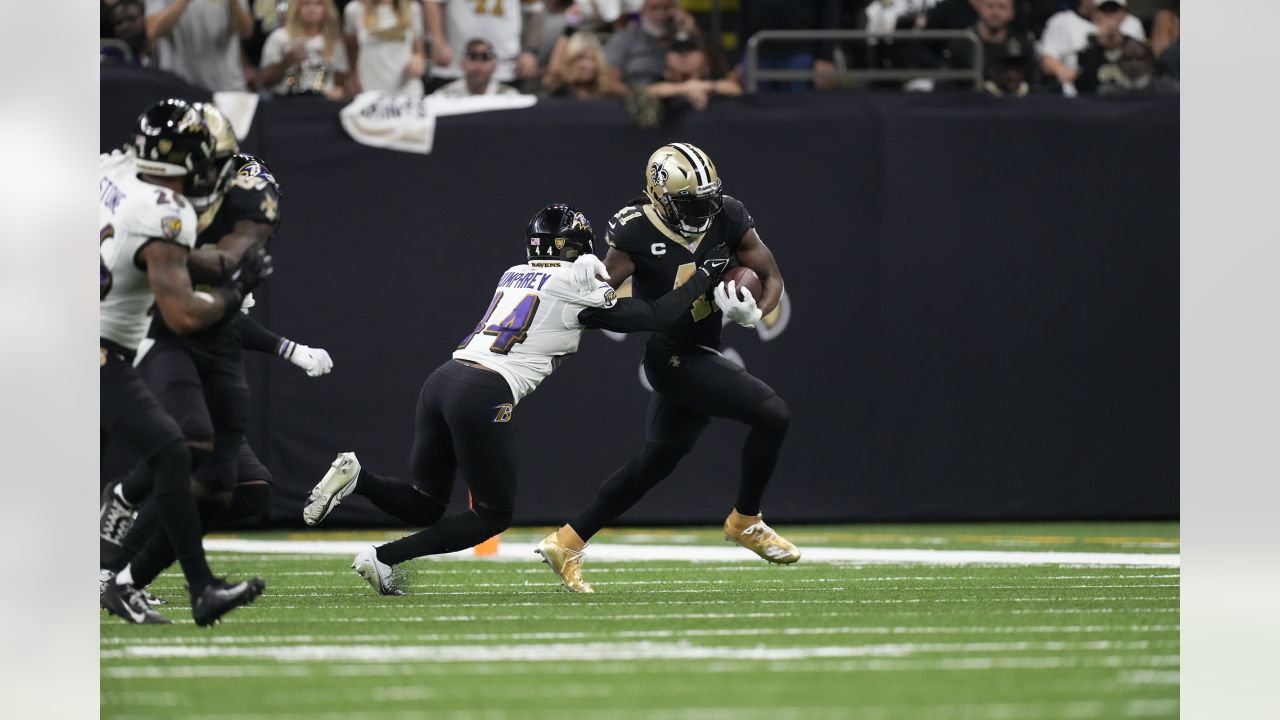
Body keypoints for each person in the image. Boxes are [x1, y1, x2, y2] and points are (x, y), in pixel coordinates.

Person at [301, 204, 734, 595]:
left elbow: (560, 300)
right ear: (576, 249)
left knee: (427, 502)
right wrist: (704, 275)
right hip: (484, 391)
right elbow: (655, 316)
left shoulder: (513, 273)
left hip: (444, 379)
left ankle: (358, 477)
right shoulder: (573, 281)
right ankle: (383, 557)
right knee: (492, 516)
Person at [535, 143, 797, 593]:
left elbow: (771, 276)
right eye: (691, 202)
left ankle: (567, 540)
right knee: (773, 414)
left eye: (707, 199)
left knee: (656, 461)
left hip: (702, 349)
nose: (703, 210)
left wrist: (754, 313)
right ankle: (746, 520)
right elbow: (599, 297)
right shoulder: (634, 231)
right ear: (661, 198)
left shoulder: (727, 213)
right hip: (673, 356)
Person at [99, 104, 294, 618]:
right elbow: (190, 291)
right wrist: (233, 286)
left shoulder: (247, 186)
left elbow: (234, 250)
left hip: (215, 334)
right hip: (161, 325)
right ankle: (120, 535)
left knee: (231, 485)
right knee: (180, 445)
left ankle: (127, 579)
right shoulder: (158, 202)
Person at [425, 0, 545, 93]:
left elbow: (534, 9)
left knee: (503, 122)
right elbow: (432, 2)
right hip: (454, 65)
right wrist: (438, 41)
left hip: (505, 67)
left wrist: (530, 50)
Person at [144, 0, 256, 92]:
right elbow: (152, 30)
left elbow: (246, 32)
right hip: (179, 87)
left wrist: (234, 3)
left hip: (228, 88)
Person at [1037, 0, 1145, 93]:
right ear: (1095, 12)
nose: (1110, 16)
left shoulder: (1132, 26)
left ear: (1124, 13)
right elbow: (1047, 58)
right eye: (1105, 10)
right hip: (1082, 96)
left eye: (1114, 10)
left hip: (1128, 94)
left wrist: (1120, 41)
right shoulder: (1063, 22)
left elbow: (1144, 64)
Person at [259, 0, 351, 99]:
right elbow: (263, 80)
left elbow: (340, 80)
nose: (312, 9)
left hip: (323, 102)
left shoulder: (334, 41)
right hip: (285, 101)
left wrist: (339, 91)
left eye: (318, 4)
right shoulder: (279, 37)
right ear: (296, 8)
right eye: (306, 3)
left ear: (326, 10)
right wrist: (286, 62)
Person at [946, 0, 1040, 92]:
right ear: (979, 8)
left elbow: (1033, 82)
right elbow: (950, 84)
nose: (995, 12)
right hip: (969, 103)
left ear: (1011, 12)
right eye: (990, 6)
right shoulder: (963, 43)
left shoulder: (1023, 45)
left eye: (1001, 7)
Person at [343, 0, 427, 96]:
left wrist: (418, 62)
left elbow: (419, 52)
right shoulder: (354, 9)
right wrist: (352, 79)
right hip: (369, 91)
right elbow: (351, 51)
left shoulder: (413, 7)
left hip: (408, 91)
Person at [644, 30, 742, 112]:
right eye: (678, 51)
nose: (684, 56)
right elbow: (647, 92)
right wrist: (687, 88)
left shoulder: (711, 77)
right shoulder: (662, 79)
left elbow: (735, 89)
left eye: (689, 50)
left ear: (703, 56)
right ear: (667, 58)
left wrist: (702, 86)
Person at [542, 30, 624, 98]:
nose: (588, 65)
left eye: (593, 59)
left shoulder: (604, 95)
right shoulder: (559, 88)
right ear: (569, 60)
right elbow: (555, 70)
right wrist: (570, 25)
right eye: (580, 58)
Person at [430, 38, 524, 97]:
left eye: (485, 58)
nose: (478, 64)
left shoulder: (509, 97)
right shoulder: (443, 96)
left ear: (494, 65)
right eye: (472, 57)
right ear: (462, 63)